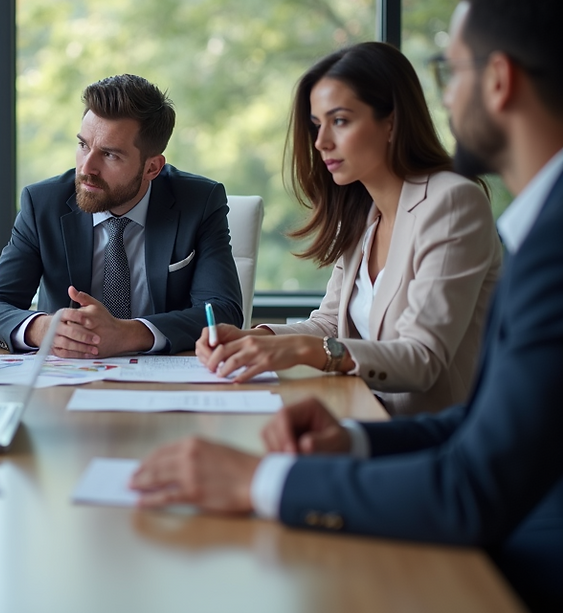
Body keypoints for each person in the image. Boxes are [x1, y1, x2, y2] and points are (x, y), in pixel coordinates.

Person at [130, 0, 563, 612]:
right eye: (315, 124)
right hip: (437, 466)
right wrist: (281, 354)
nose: (322, 142)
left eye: (452, 72)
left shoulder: (490, 218)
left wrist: (261, 480)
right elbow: (472, 419)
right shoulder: (372, 215)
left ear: (500, 80)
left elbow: (459, 452)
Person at [199, 42, 501, 415]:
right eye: (316, 125)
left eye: (340, 120)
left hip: (436, 441)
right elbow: (330, 324)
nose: (322, 142)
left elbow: (422, 358)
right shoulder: (362, 212)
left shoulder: (452, 202)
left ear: (391, 121)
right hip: (363, 415)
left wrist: (304, 351)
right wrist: (254, 338)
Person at [0, 73, 243, 358]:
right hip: (64, 383)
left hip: (163, 382)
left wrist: (127, 333)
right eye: (83, 145)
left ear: (152, 168)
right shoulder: (42, 204)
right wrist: (46, 329)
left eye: (110, 155)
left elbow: (222, 314)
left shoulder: (198, 202)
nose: (87, 168)